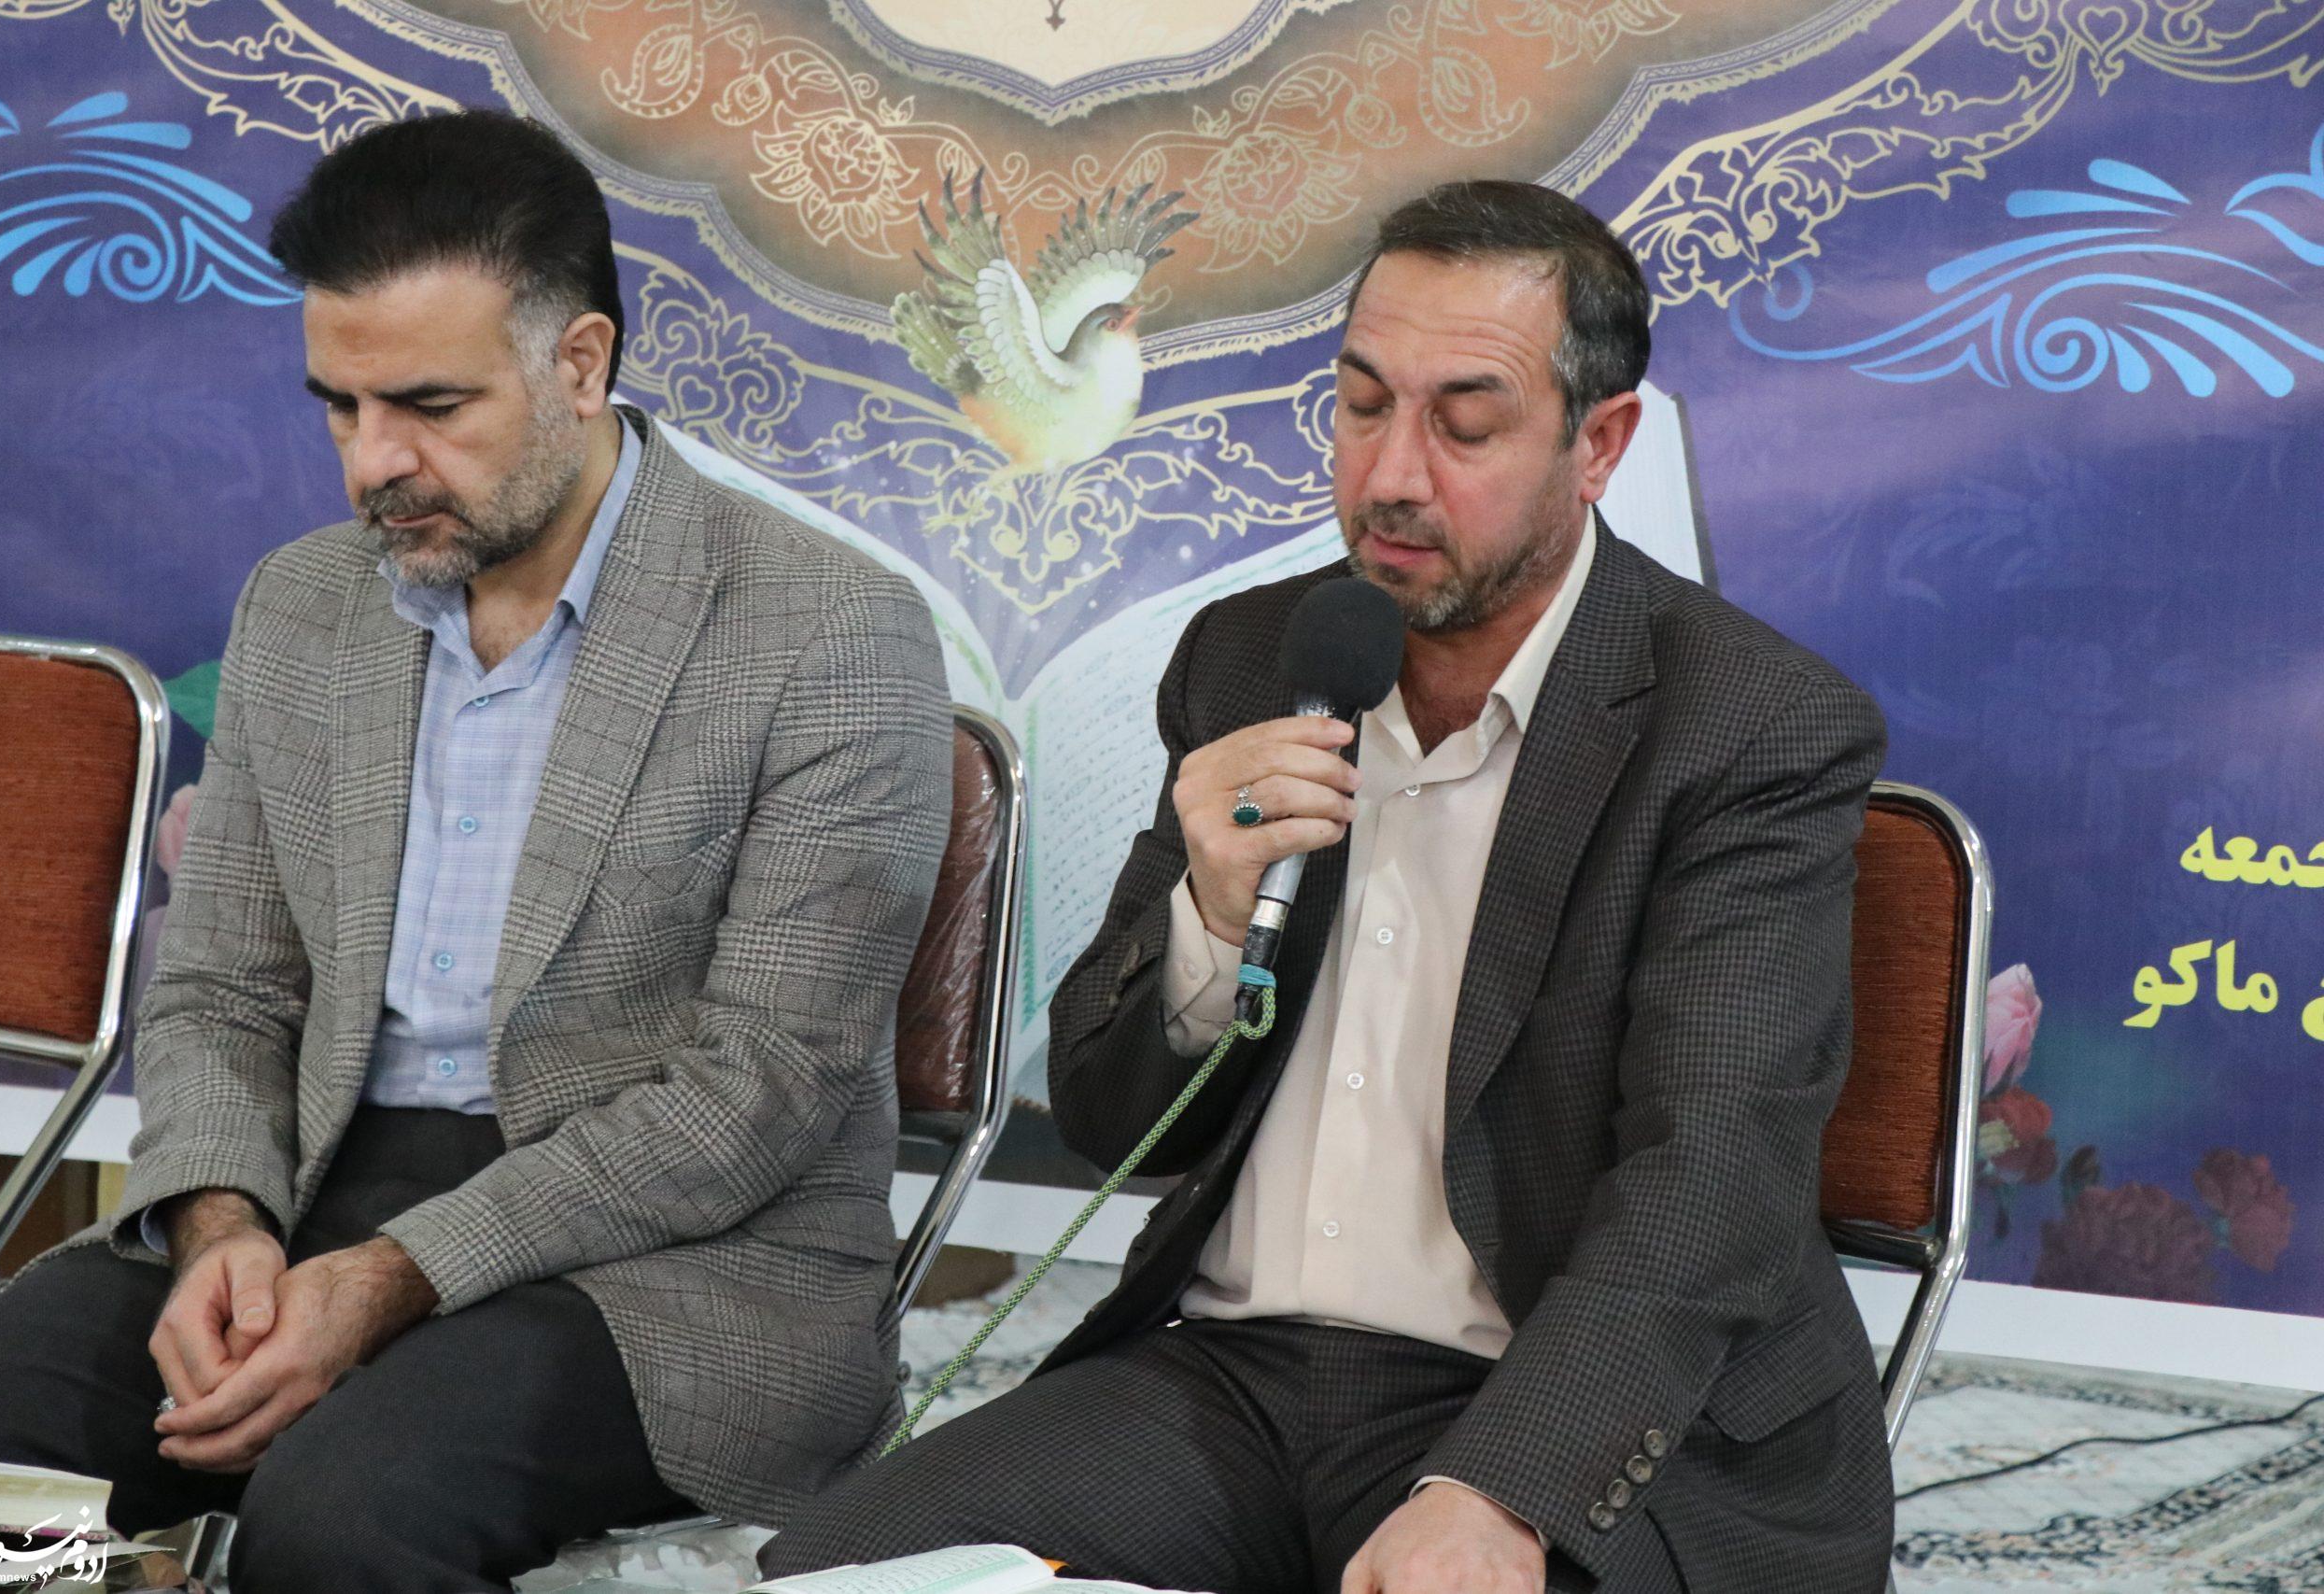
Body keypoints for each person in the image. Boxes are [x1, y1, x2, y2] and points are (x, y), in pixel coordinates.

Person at [763, 180, 1894, 1594]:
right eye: (1362, 406)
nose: (1391, 474)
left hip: (1547, 1387)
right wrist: (1207, 914)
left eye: (1464, 425)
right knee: (832, 1576)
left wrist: (1503, 1489)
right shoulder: (1256, 656)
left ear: (1598, 444)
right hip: (1235, 1382)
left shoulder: (1747, 726)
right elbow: (1116, 1119)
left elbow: (1710, 1179)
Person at [0, 109, 951, 1592]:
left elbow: (764, 1091)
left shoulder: (828, 631)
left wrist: (399, 1276)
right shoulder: (304, 606)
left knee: (347, 1516)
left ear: (581, 365)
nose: (373, 465)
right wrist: (223, 1222)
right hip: (321, 1187)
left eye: (428, 406)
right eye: (340, 408)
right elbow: (221, 991)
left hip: (686, 1265)